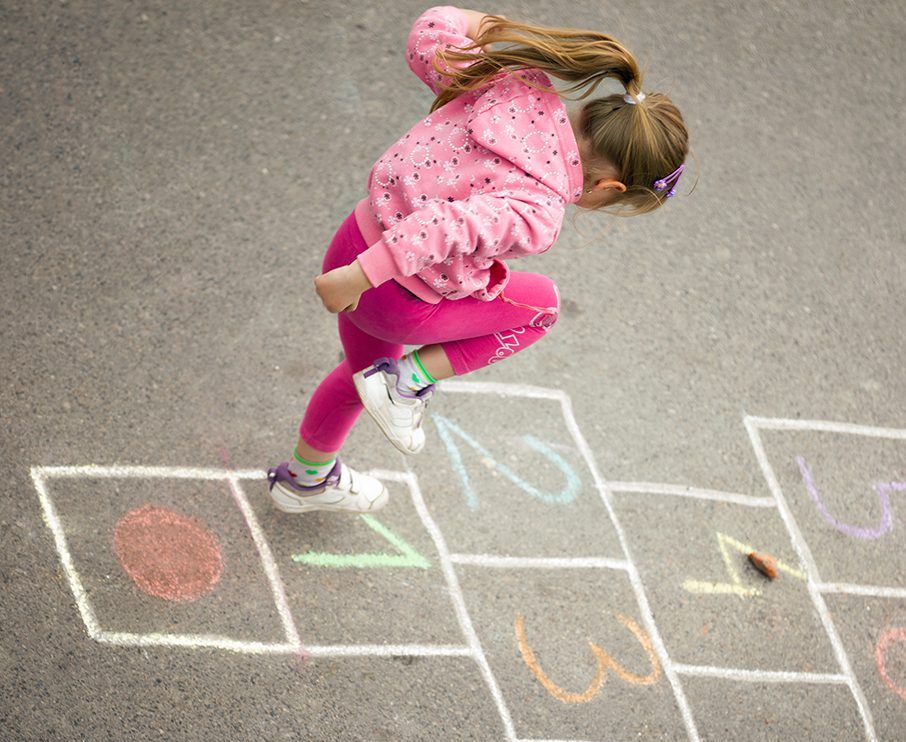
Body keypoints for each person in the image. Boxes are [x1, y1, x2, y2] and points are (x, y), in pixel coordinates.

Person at [267, 5, 689, 513]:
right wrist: (360, 278)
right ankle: (408, 385)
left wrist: (494, 27)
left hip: (352, 240)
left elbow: (431, 33)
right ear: (608, 187)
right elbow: (447, 225)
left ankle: (305, 481)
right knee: (543, 307)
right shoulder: (539, 209)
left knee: (362, 379)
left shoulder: (514, 84)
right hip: (390, 292)